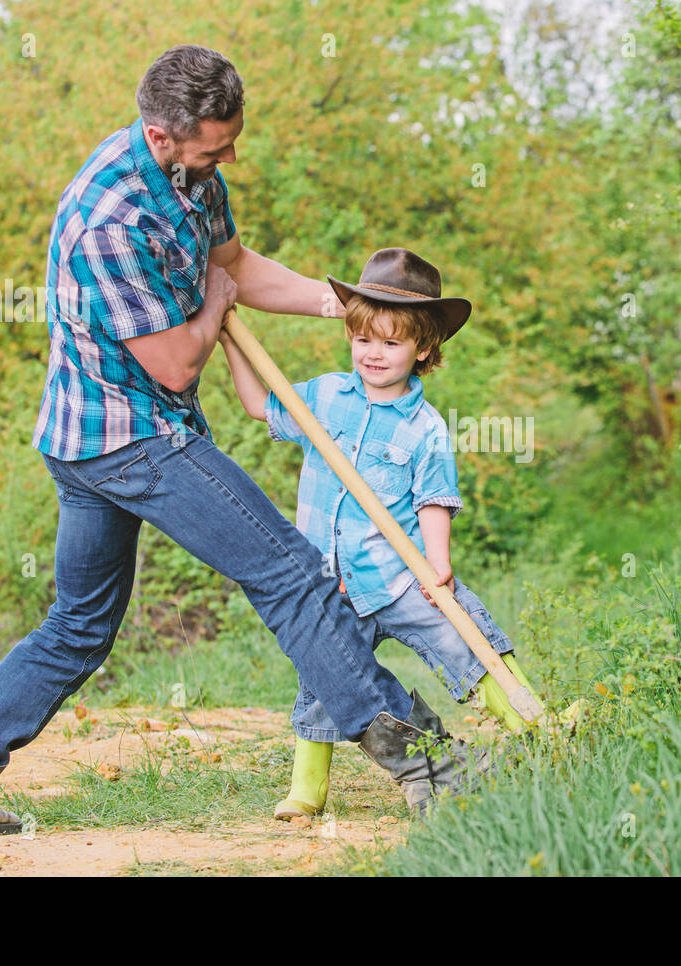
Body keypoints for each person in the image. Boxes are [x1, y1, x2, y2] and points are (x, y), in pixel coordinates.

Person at [0, 46, 481, 835]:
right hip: (125, 439)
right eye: (216, 148)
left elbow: (237, 262)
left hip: (104, 433)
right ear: (161, 134)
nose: (230, 158)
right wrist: (214, 299)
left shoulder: (192, 175)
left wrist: (352, 308)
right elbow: (178, 362)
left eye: (232, 141)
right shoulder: (107, 221)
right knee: (289, 571)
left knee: (79, 626)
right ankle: (427, 763)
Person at [218, 248, 537, 818]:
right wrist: (227, 339)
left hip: (400, 577)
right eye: (364, 338)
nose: (374, 353)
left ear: (424, 349)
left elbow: (434, 499)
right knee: (322, 678)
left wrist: (436, 562)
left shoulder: (425, 427)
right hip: (329, 582)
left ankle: (535, 727)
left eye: (391, 343)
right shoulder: (321, 397)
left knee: (464, 642)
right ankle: (306, 790)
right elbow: (256, 404)